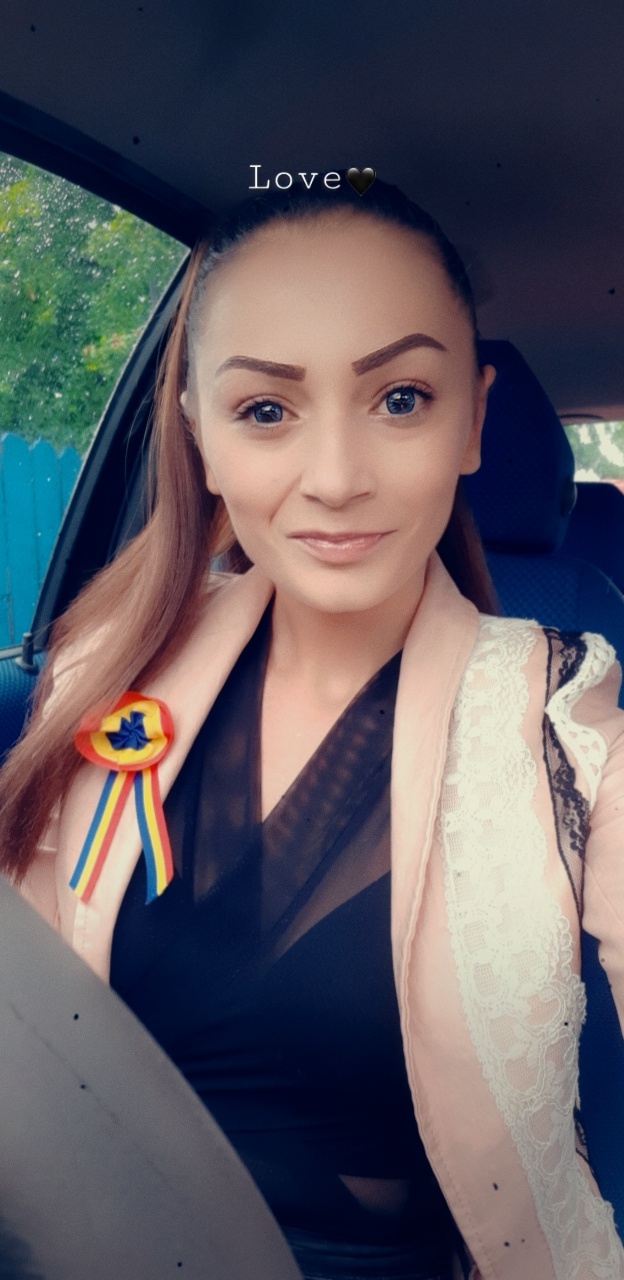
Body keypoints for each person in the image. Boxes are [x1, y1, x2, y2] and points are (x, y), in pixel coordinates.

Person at [0, 172, 623, 1280]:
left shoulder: (567, 727)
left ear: (474, 420)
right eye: (266, 410)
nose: (335, 480)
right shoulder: (106, 666)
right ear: (198, 433)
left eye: (401, 399)